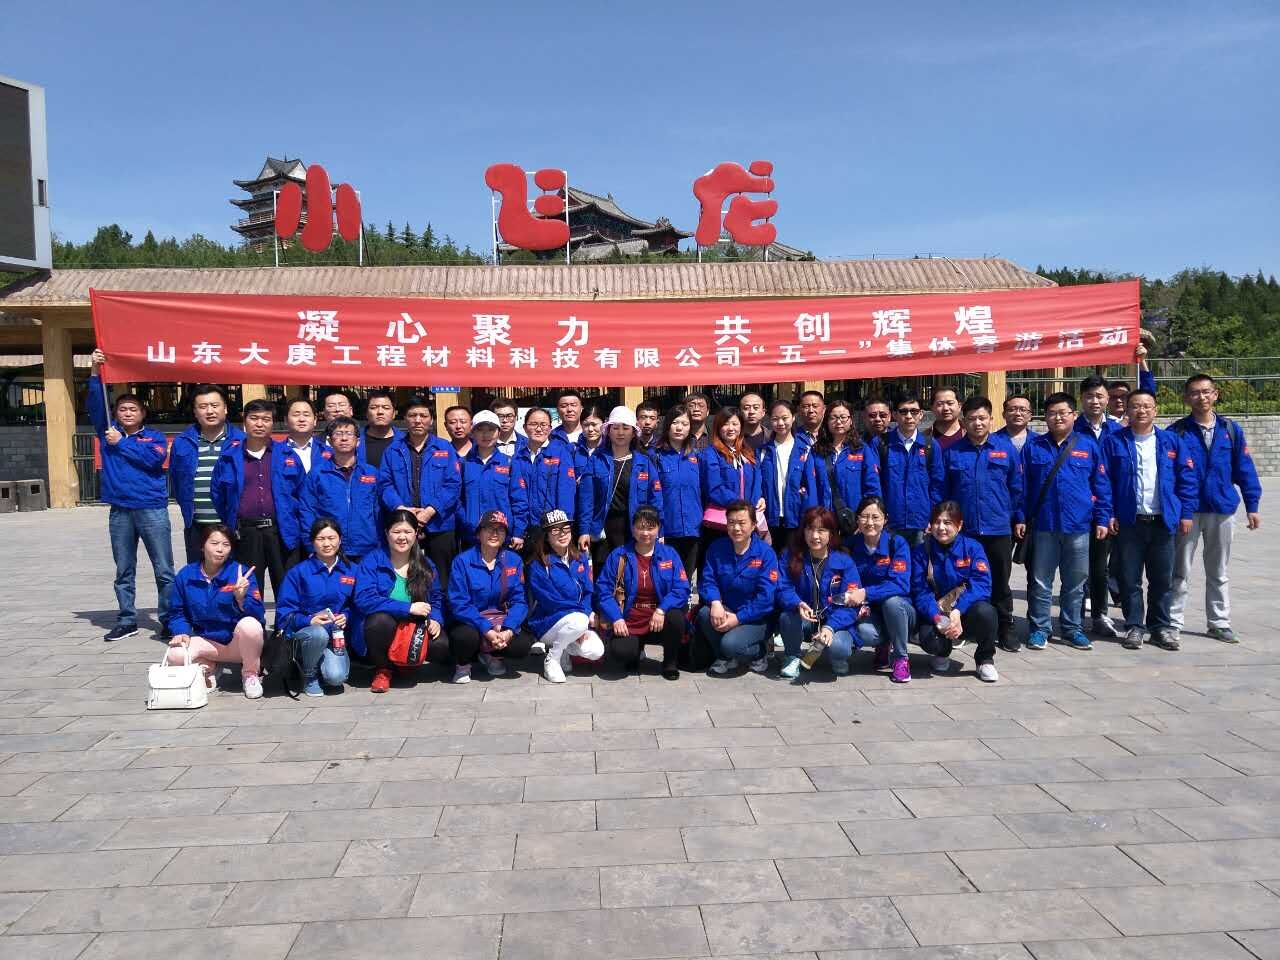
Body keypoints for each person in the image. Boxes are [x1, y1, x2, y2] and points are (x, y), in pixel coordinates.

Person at [1168, 373, 1263, 645]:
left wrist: (1252, 505)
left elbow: (1244, 469)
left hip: (1222, 509)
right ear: (1186, 398)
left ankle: (1219, 623)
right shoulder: (1177, 432)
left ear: (1215, 394)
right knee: (1179, 570)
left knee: (1218, 571)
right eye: (1195, 393)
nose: (1201, 397)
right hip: (1188, 513)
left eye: (1206, 391)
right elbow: (1169, 475)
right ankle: (1172, 622)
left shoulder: (1230, 429)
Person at [88, 349, 175, 641]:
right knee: (124, 570)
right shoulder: (107, 432)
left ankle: (168, 619)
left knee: (164, 569)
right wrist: (94, 371)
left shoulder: (154, 437)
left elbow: (153, 460)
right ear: (115, 414)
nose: (127, 413)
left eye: (133, 409)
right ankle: (127, 619)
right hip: (120, 511)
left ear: (142, 414)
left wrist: (122, 444)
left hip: (152, 509)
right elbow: (95, 402)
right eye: (122, 409)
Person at [1103, 390, 1198, 651]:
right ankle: (1134, 626)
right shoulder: (1114, 442)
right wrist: (1109, 513)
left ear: (1155, 410)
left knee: (1162, 579)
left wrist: (1186, 513)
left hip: (1162, 522)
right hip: (1129, 522)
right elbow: (1104, 481)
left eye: (1147, 406)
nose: (1141, 410)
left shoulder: (1171, 441)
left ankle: (1160, 628)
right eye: (1136, 406)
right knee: (1129, 579)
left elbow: (1187, 480)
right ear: (1128, 411)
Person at [1023, 392, 1112, 651]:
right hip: (1045, 526)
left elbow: (1101, 485)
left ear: (1074, 415)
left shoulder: (1088, 446)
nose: (1058, 417)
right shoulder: (1034, 447)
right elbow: (1022, 487)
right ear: (1045, 418)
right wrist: (1020, 518)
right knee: (1041, 581)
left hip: (1079, 526)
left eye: (1063, 412)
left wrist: (1102, 518)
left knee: (1075, 582)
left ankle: (1072, 629)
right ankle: (1040, 629)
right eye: (1052, 413)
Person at [209, 398, 306, 621]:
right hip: (246, 533)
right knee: (250, 586)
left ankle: (286, 631)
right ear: (244, 422)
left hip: (281, 532)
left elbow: (302, 493)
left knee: (287, 586)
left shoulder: (287, 455)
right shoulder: (229, 457)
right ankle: (254, 630)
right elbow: (218, 494)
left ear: (273, 423)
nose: (260, 424)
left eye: (266, 419)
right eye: (254, 418)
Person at [941, 396, 1024, 653]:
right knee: (963, 581)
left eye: (982, 418)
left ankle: (1005, 627)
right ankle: (965, 626)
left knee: (1000, 581)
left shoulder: (1005, 449)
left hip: (998, 528)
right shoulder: (952, 452)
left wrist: (1013, 516)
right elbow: (943, 491)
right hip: (966, 531)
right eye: (972, 418)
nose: (977, 423)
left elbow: (1016, 488)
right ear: (963, 421)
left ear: (991, 419)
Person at [165, 523, 266, 699]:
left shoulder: (241, 573)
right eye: (214, 543)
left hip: (236, 643)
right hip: (207, 641)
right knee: (175, 655)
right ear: (202, 546)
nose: (220, 549)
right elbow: (177, 612)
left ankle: (250, 674)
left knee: (251, 626)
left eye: (226, 545)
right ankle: (208, 666)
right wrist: (181, 632)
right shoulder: (186, 575)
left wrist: (241, 599)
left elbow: (259, 616)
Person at [354, 510, 447, 692]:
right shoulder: (372, 561)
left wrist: (436, 619)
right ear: (386, 533)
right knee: (379, 622)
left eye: (408, 532)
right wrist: (408, 608)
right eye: (396, 532)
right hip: (382, 625)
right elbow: (365, 599)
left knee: (440, 645)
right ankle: (383, 670)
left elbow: (437, 597)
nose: (402, 537)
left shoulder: (426, 564)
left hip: (412, 625)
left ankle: (404, 664)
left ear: (416, 533)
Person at [377, 395, 462, 585]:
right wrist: (401, 509)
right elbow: (385, 484)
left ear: (431, 420)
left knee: (442, 578)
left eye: (423, 416)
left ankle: (439, 606)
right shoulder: (393, 450)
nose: (417, 420)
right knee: (404, 575)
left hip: (439, 524)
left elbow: (453, 484)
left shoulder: (445, 448)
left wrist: (429, 511)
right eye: (412, 415)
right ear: (405, 419)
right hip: (403, 525)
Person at [597, 506, 690, 679]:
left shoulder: (669, 554)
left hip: (658, 617)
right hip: (629, 617)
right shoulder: (619, 555)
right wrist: (616, 618)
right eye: (640, 527)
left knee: (676, 617)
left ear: (658, 529)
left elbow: (682, 588)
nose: (645, 533)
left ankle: (670, 662)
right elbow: (603, 591)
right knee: (621, 652)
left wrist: (662, 610)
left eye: (650, 527)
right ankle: (635, 650)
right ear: (632, 529)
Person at [911, 501, 999, 682]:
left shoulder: (973, 548)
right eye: (937, 522)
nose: (941, 527)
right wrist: (938, 618)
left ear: (959, 525)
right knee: (929, 639)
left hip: (964, 612)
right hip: (936, 612)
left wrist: (958, 610)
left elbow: (982, 585)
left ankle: (985, 659)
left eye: (948, 523)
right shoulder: (921, 551)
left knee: (987, 613)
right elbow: (920, 592)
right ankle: (942, 652)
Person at [447, 509, 535, 680]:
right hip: (470, 620)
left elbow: (520, 601)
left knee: (522, 645)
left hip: (499, 619)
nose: (495, 533)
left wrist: (508, 629)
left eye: (500, 529)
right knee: (464, 637)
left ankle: (493, 656)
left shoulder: (513, 560)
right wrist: (485, 628)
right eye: (489, 528)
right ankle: (463, 663)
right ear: (478, 533)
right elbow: (459, 603)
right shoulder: (462, 561)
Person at [776, 507, 863, 680]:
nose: (815, 536)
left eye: (821, 530)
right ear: (803, 531)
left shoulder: (844, 561)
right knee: (787, 617)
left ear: (831, 533)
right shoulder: (790, 556)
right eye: (810, 529)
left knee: (839, 647)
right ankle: (792, 657)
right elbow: (782, 587)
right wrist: (797, 603)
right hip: (805, 618)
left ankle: (838, 658)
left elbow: (851, 602)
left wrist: (830, 626)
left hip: (833, 620)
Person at [577, 406, 663, 571]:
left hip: (634, 528)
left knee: (631, 573)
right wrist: (584, 531)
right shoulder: (597, 460)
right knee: (603, 575)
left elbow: (656, 500)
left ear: (634, 432)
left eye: (626, 428)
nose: (620, 432)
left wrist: (658, 531)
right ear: (608, 431)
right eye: (615, 428)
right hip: (603, 529)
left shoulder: (644, 463)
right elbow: (586, 499)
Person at [275, 518, 354, 695]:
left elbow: (357, 605)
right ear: (312, 542)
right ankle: (309, 674)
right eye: (321, 539)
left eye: (331, 538)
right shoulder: (298, 572)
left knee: (336, 678)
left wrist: (347, 616)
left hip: (335, 637)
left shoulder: (351, 570)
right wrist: (309, 620)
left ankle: (320, 664)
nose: (327, 544)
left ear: (340, 540)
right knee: (318, 634)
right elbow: (284, 614)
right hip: (306, 635)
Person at [699, 500, 779, 675]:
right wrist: (715, 602)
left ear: (753, 525)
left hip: (756, 618)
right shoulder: (717, 548)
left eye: (742, 523)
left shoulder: (766, 554)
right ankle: (725, 657)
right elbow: (708, 580)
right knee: (705, 614)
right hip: (727, 610)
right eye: (731, 522)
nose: (736, 528)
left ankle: (759, 652)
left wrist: (738, 618)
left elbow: (766, 598)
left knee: (730, 644)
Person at [170, 383, 244, 564]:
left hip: (233, 525)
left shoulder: (242, 441)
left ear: (225, 408)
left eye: (215, 405)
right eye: (203, 407)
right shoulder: (182, 442)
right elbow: (177, 481)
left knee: (233, 575)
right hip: (197, 526)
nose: (209, 411)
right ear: (195, 412)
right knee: (198, 574)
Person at [528, 509, 606, 682]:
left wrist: (587, 612)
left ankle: (564, 647)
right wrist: (582, 617)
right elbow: (551, 601)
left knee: (596, 650)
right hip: (547, 622)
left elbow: (587, 591)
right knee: (579, 622)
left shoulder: (580, 558)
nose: (562, 534)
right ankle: (552, 658)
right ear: (546, 536)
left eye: (566, 528)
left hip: (575, 620)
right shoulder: (538, 565)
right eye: (555, 530)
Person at [1075, 375, 1124, 639]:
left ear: (1107, 399)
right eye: (1089, 396)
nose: (1095, 401)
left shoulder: (1118, 432)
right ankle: (1073, 617)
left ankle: (1099, 614)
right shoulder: (1072, 428)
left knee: (1099, 566)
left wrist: (1111, 512)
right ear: (1081, 399)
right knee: (1075, 567)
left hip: (1105, 511)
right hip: (1077, 510)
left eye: (1099, 396)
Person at [848, 496, 916, 683]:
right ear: (857, 519)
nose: (870, 522)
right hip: (870, 609)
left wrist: (866, 593)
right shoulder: (851, 545)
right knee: (864, 632)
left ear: (885, 519)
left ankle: (901, 659)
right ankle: (883, 644)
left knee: (891, 602)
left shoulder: (897, 543)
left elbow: (900, 584)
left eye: (875, 517)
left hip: (901, 610)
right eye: (864, 517)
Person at [299, 417, 380, 562]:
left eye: (349, 434)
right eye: (338, 434)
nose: (344, 438)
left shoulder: (371, 473)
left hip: (367, 548)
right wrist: (311, 546)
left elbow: (379, 511)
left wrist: (381, 543)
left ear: (358, 441)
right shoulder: (317, 474)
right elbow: (307, 511)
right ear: (330, 441)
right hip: (329, 548)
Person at [699, 407, 765, 565]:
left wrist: (757, 499)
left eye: (735, 424)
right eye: (726, 424)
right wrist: (742, 506)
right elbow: (714, 488)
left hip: (746, 520)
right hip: (722, 523)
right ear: (718, 427)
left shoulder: (747, 452)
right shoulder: (711, 454)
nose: (731, 428)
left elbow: (757, 481)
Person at [880, 391, 944, 547]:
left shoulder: (930, 445)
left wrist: (933, 516)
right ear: (894, 415)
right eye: (903, 411)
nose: (909, 416)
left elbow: (937, 485)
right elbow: (875, 483)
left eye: (914, 411)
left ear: (921, 414)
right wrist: (878, 516)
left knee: (920, 562)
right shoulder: (881, 444)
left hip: (921, 524)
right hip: (890, 523)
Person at [459, 410, 527, 551]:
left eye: (491, 429)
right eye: (480, 430)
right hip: (472, 536)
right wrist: (465, 522)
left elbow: (519, 500)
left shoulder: (509, 463)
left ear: (499, 432)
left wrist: (518, 531)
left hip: (502, 535)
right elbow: (457, 500)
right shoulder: (463, 463)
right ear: (472, 433)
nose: (486, 435)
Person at [758, 399, 818, 553]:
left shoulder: (805, 449)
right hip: (770, 517)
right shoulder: (763, 451)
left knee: (794, 560)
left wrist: (810, 516)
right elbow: (758, 484)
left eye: (784, 418)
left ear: (793, 417)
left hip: (796, 517)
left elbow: (811, 484)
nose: (780, 423)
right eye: (775, 419)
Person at [512, 407, 578, 544]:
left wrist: (562, 527)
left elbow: (566, 493)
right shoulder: (519, 457)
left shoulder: (561, 453)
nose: (538, 429)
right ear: (524, 428)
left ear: (550, 429)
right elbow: (518, 496)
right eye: (533, 424)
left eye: (543, 425)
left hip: (554, 528)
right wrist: (519, 529)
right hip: (528, 529)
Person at [654, 404, 702, 583]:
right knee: (666, 579)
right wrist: (657, 529)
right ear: (667, 425)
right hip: (667, 529)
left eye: (684, 423)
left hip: (693, 529)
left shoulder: (696, 456)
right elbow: (653, 496)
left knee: (686, 580)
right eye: (675, 422)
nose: (679, 427)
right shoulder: (656, 456)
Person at [813, 399, 881, 528]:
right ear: (826, 421)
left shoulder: (862, 449)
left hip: (853, 521)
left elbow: (872, 488)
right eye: (833, 417)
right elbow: (810, 486)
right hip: (824, 522)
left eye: (843, 417)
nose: (838, 422)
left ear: (851, 421)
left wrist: (866, 519)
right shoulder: (816, 450)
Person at [359, 391, 402, 469]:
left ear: (394, 414)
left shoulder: (406, 441)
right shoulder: (354, 439)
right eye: (373, 408)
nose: (380, 412)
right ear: (366, 413)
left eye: (386, 408)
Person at [283, 398, 322, 477]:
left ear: (315, 420)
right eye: (296, 415)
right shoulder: (275, 453)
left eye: (306, 415)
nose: (301, 419)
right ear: (286, 420)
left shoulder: (327, 452)